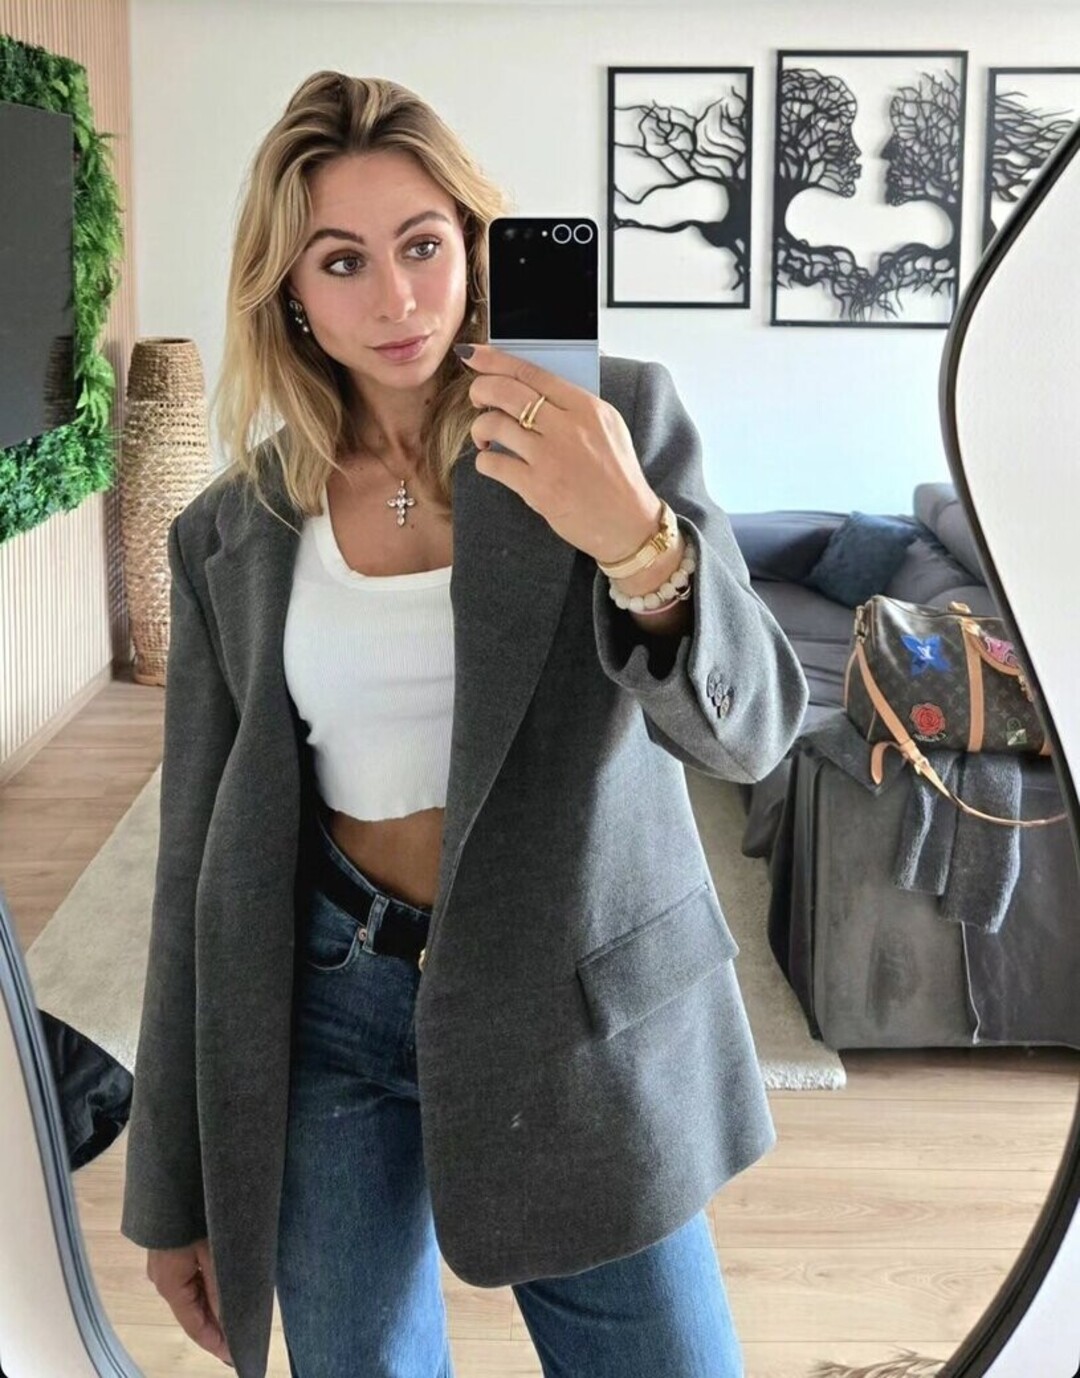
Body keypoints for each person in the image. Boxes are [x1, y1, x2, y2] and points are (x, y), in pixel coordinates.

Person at [121, 71, 809, 1378]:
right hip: (327, 1003)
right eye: (343, 261)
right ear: (290, 291)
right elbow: (193, 870)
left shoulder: (611, 424)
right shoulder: (232, 531)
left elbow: (754, 730)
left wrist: (639, 539)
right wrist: (170, 1191)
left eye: (423, 245)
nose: (395, 299)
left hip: (567, 992)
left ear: (476, 247)